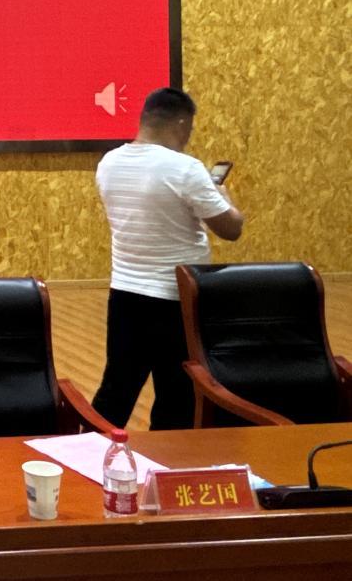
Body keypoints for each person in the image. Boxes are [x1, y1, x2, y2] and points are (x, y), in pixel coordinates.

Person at [90, 86, 245, 431]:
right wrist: (224, 196)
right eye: (190, 129)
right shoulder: (186, 169)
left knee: (116, 389)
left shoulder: (108, 163)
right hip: (177, 300)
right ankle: (166, 461)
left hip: (125, 296)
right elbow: (231, 228)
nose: (188, 138)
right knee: (177, 397)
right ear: (181, 123)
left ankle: (85, 455)